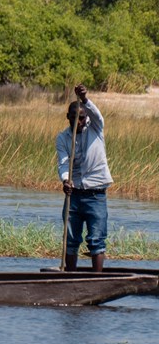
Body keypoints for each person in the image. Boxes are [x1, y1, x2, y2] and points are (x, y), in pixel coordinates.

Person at [56, 84, 113, 272]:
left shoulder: (95, 128)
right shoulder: (63, 138)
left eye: (81, 118)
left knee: (96, 239)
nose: (78, 122)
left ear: (85, 117)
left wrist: (85, 98)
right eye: (74, 118)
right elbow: (64, 163)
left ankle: (96, 279)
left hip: (96, 194)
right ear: (68, 118)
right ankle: (70, 278)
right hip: (74, 194)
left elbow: (98, 116)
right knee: (70, 239)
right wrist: (65, 180)